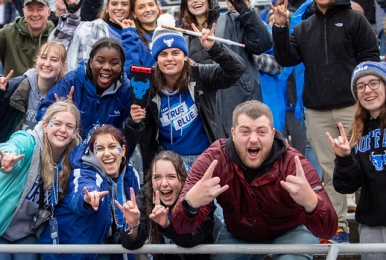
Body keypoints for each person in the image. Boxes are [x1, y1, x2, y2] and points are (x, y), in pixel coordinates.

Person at [171, 100, 338, 260]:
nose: (253, 139)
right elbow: (180, 226)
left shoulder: (293, 163)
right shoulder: (213, 160)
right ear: (233, 134)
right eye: (245, 131)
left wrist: (312, 203)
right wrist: (190, 205)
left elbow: (328, 229)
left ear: (272, 134)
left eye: (261, 132)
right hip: (239, 233)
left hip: (291, 231)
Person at [271, 0, 380, 243]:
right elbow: (286, 58)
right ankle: (338, 227)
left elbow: (370, 59)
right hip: (317, 111)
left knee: (369, 164)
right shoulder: (303, 27)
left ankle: (372, 221)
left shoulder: (355, 19)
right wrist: (279, 27)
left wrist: (365, 99)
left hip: (353, 107)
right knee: (330, 170)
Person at [0, 100, 82, 260]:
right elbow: (13, 146)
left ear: (75, 132)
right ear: (45, 125)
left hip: (22, 227)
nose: (63, 130)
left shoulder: (73, 160)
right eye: (56, 123)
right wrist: (6, 157)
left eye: (69, 126)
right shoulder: (29, 142)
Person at [124, 22, 246, 173]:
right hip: (168, 162)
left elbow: (237, 69)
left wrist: (213, 47)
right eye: (163, 54)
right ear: (156, 59)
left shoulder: (200, 75)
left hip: (206, 157)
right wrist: (134, 122)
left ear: (185, 56)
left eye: (176, 53)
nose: (169, 58)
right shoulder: (147, 87)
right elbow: (138, 138)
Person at [39, 124, 140, 260]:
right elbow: (82, 190)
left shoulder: (131, 174)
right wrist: (88, 200)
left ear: (122, 149)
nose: (107, 153)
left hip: (103, 248)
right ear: (92, 153)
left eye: (111, 146)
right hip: (66, 253)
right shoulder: (84, 172)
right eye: (99, 149)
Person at [0, 41, 68, 169]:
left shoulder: (65, 96)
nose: (47, 64)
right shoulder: (17, 86)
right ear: (36, 61)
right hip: (5, 159)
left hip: (41, 166)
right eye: (43, 58)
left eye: (54, 60)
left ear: (63, 66)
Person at [178, 0, 272, 132]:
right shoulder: (185, 36)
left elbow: (262, 43)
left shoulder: (231, 20)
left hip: (240, 103)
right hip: (208, 112)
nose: (195, 1)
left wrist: (244, 9)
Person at [327, 61, 386, 260]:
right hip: (371, 225)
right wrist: (343, 159)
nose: (367, 90)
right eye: (360, 86)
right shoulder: (356, 134)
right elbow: (346, 186)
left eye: (374, 83)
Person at [118, 150, 217, 260]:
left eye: (171, 176)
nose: (164, 183)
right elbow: (131, 244)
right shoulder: (147, 194)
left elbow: (192, 241)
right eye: (157, 177)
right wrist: (133, 224)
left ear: (183, 180)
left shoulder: (198, 194)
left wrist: (167, 226)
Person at [37, 37, 131, 140]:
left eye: (114, 63)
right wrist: (61, 111)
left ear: (121, 66)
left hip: (104, 152)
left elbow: (127, 138)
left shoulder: (126, 90)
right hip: (68, 149)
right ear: (90, 62)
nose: (107, 67)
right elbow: (43, 116)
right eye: (100, 61)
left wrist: (134, 123)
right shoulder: (71, 82)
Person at [0, 0, 54, 77]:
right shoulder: (9, 32)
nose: (35, 14)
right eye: (30, 9)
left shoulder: (56, 35)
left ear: (48, 12)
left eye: (40, 9)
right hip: (13, 88)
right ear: (24, 11)